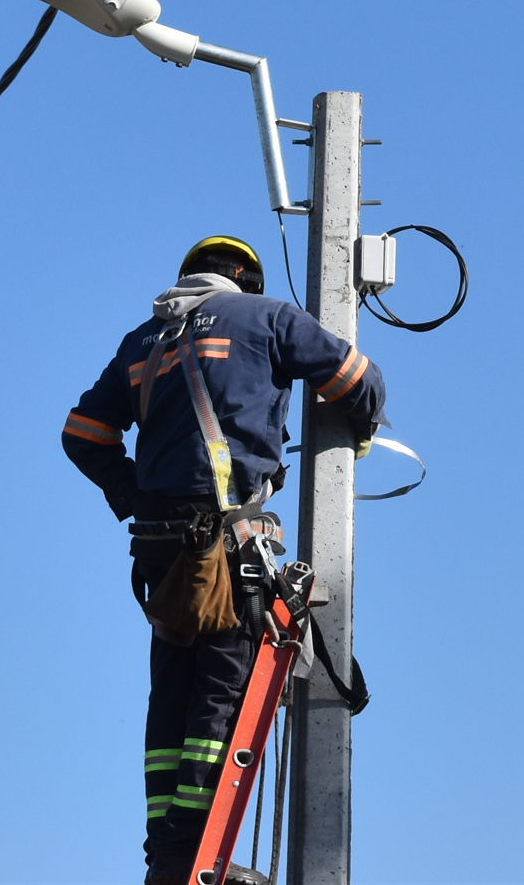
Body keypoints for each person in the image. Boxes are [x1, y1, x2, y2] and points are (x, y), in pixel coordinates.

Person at [62, 234, 387, 885]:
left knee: (172, 697)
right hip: (230, 544)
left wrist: (131, 495)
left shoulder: (142, 340)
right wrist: (360, 432)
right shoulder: (266, 319)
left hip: (160, 548)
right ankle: (193, 847)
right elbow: (359, 380)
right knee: (219, 694)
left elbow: (84, 434)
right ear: (247, 279)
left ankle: (165, 853)